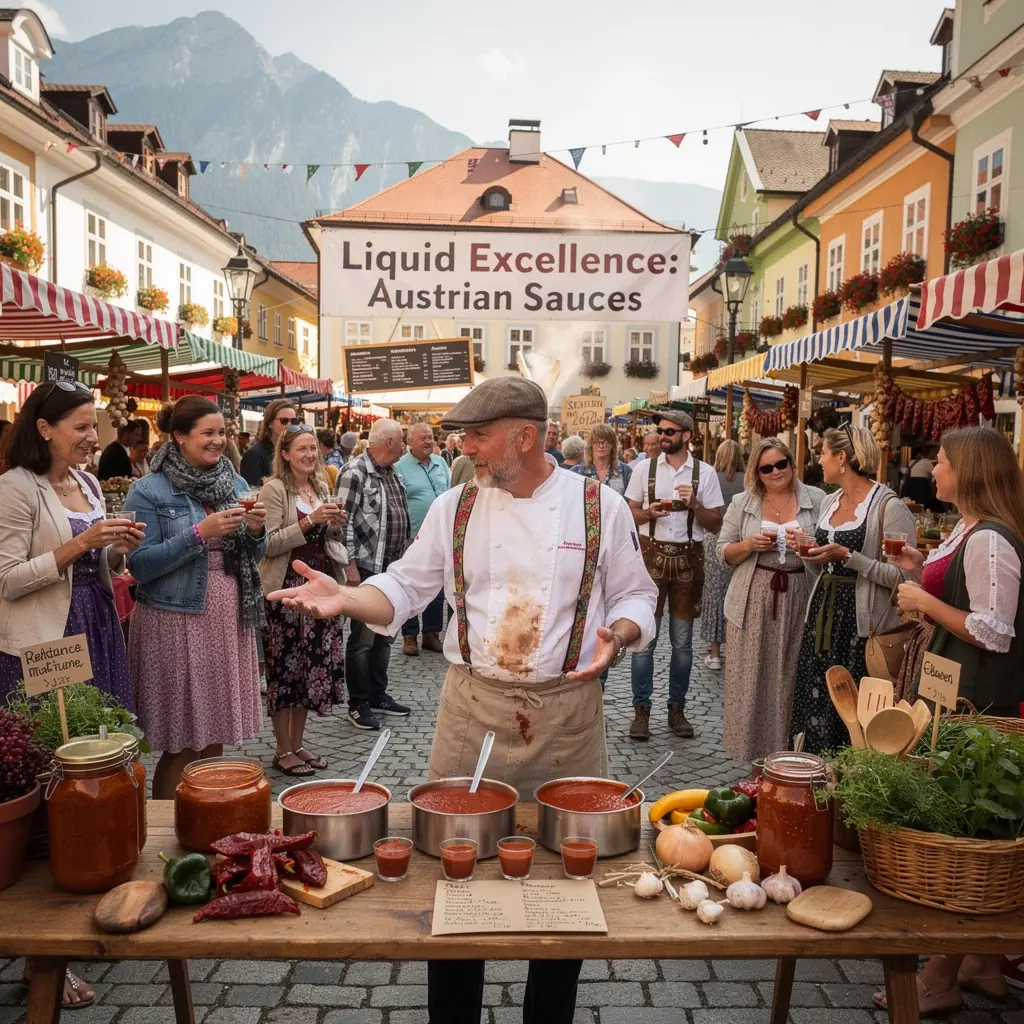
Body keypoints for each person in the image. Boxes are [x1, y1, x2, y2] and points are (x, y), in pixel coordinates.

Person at [267, 376, 656, 1024]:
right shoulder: (456, 506)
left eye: (479, 435)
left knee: (568, 889)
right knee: (454, 883)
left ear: (524, 436)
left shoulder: (599, 506)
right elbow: (403, 588)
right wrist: (345, 599)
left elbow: (637, 595)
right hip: (471, 711)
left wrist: (619, 633)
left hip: (567, 718)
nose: (468, 447)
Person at [873, 428, 1024, 1014]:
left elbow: (994, 629)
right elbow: (963, 590)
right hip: (953, 687)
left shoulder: (992, 539)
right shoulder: (969, 530)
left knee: (965, 826)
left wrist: (925, 602)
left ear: (970, 470)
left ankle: (939, 974)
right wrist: (919, 567)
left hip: (980, 700)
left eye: (940, 461)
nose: (931, 470)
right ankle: (981, 962)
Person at [126, 396, 267, 799]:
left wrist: (256, 533)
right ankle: (169, 830)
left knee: (214, 738)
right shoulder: (148, 490)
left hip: (226, 620)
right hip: (175, 621)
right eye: (208, 433)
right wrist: (198, 535)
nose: (218, 440)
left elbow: (252, 557)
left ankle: (205, 819)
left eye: (222, 432)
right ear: (180, 437)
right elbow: (140, 565)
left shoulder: (234, 483)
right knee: (182, 743)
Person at [0, 380, 141, 709]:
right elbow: (8, 580)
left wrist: (118, 550)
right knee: (59, 739)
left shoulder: (88, 482)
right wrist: (82, 543)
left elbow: (95, 559)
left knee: (103, 733)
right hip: (48, 633)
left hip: (97, 620)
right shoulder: (14, 488)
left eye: (93, 426)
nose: (93, 437)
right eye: (81, 427)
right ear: (45, 428)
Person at [788, 424, 917, 754]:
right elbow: (822, 568)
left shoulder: (889, 506)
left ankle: (846, 790)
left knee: (852, 710)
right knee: (817, 698)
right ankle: (815, 777)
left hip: (862, 625)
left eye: (823, 452)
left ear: (842, 457)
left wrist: (849, 557)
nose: (819, 459)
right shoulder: (830, 501)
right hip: (822, 617)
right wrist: (807, 553)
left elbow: (905, 579)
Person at [717, 440, 825, 759]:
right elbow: (723, 550)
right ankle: (753, 757)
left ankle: (788, 755)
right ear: (757, 473)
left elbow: (828, 552)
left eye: (781, 464)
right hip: (752, 598)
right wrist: (749, 544)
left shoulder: (817, 499)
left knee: (792, 677)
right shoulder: (743, 501)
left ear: (792, 464)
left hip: (799, 595)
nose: (776, 472)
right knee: (752, 679)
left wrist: (807, 544)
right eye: (767, 468)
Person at [624, 410, 723, 740]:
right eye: (660, 430)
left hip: (688, 561)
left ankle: (676, 710)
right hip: (650, 557)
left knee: (682, 645)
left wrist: (694, 503)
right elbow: (629, 511)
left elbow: (715, 524)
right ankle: (641, 712)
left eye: (669, 431)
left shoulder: (704, 473)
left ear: (686, 436)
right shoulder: (644, 469)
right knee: (644, 642)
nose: (662, 435)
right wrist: (647, 512)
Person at [259, 424, 347, 776]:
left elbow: (329, 538)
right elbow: (268, 543)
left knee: (310, 671)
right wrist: (311, 520)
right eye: (302, 449)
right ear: (285, 454)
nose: (310, 454)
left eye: (313, 448)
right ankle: (282, 749)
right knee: (286, 673)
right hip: (287, 592)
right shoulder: (275, 489)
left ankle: (298, 743)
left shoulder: (319, 485)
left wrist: (336, 524)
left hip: (319, 588)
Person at [334, 418, 412, 730]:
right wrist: (350, 565)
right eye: (401, 440)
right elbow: (342, 522)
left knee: (386, 634)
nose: (404, 446)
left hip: (393, 566)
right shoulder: (355, 472)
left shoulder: (393, 472)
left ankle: (379, 694)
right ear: (390, 442)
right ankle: (359, 703)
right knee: (363, 639)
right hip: (366, 566)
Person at [395, 422, 450, 657]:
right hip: (411, 538)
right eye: (423, 438)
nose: (428, 442)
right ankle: (409, 636)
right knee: (410, 585)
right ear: (410, 442)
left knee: (437, 586)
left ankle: (431, 634)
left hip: (439, 535)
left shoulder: (441, 462)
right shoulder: (399, 467)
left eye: (430, 437)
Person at [701, 439, 747, 671]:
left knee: (714, 594)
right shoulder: (747, 481)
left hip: (714, 539)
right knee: (738, 594)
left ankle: (715, 652)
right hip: (740, 541)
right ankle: (737, 650)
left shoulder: (711, 479)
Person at [240, 398, 297, 486]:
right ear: (270, 423)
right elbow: (252, 491)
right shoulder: (255, 455)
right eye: (284, 421)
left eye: (294, 421)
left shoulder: (295, 451)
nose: (289, 425)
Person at [571, 423, 632, 496]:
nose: (601, 446)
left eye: (605, 442)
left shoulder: (625, 471)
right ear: (591, 445)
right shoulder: (577, 471)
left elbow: (631, 503)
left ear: (613, 445)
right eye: (596, 442)